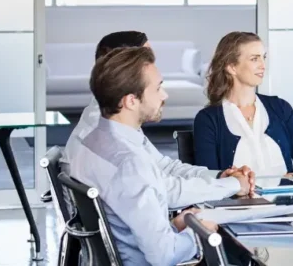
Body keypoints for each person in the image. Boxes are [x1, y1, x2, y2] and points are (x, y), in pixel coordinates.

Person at [68, 47, 223, 266]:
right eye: (158, 88)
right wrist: (199, 232)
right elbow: (164, 256)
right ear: (131, 101)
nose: (165, 95)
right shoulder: (130, 163)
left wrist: (176, 225)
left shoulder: (91, 142)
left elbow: (129, 222)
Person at [62, 31, 251, 209]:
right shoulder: (104, 133)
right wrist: (230, 185)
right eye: (145, 56)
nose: (153, 64)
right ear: (122, 67)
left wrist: (219, 176)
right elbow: (164, 191)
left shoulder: (116, 121)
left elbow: (162, 167)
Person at [194, 32, 293, 179]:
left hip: (285, 201)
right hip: (237, 202)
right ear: (232, 67)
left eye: (263, 57)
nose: (263, 65)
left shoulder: (281, 108)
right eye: (254, 59)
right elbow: (208, 179)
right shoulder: (208, 119)